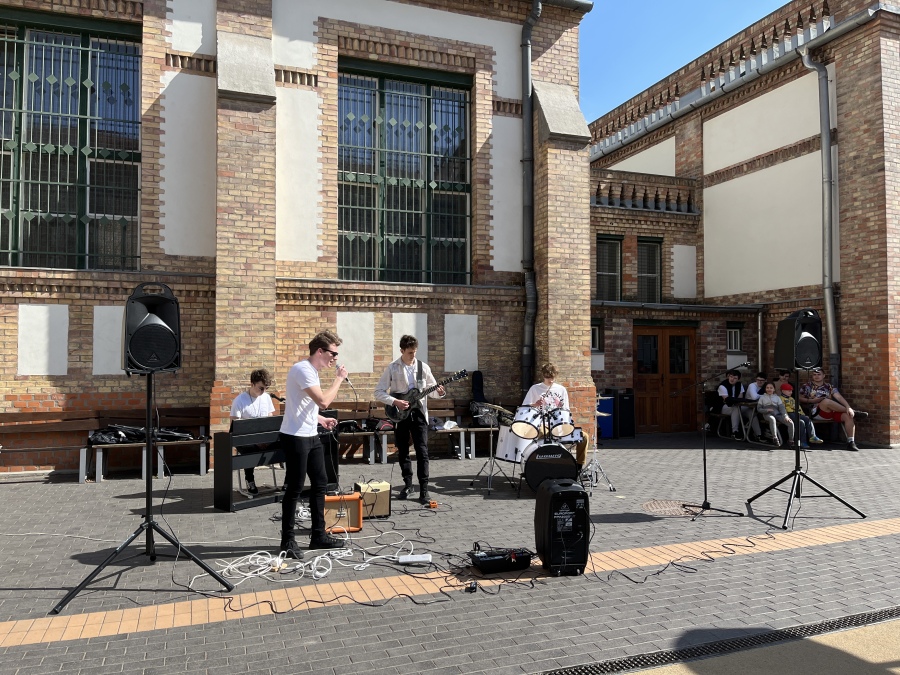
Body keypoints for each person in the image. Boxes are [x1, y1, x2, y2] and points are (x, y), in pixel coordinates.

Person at [278, 330, 348, 559]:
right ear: (320, 351)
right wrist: (339, 378)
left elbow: (303, 405)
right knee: (295, 488)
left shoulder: (312, 372)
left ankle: (318, 535)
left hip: (310, 434)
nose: (335, 358)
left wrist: (320, 419)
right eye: (333, 353)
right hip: (295, 437)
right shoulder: (303, 369)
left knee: (320, 484)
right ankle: (287, 541)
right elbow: (324, 401)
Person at [374, 335, 444, 504]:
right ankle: (408, 484)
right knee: (403, 450)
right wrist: (395, 401)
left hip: (419, 413)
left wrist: (440, 392)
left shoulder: (423, 367)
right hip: (400, 414)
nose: (413, 355)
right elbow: (379, 392)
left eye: (415, 352)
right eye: (410, 352)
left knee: (422, 451)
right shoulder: (393, 367)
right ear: (402, 351)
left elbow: (432, 391)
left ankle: (424, 489)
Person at [230, 368, 277, 495]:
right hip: (246, 440)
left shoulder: (266, 398)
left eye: (266, 388)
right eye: (261, 388)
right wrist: (255, 441)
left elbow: (270, 420)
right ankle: (249, 479)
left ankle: (289, 482)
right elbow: (235, 426)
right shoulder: (240, 400)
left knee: (288, 443)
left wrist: (266, 439)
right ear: (252, 384)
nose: (263, 391)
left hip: (264, 439)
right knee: (249, 450)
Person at [799, 367, 868, 451]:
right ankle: (855, 412)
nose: (816, 376)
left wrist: (848, 407)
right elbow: (800, 398)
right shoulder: (807, 386)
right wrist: (812, 400)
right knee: (826, 401)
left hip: (832, 411)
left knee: (848, 415)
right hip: (816, 412)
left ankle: (851, 442)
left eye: (819, 374)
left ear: (824, 375)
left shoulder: (829, 386)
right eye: (814, 374)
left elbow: (839, 397)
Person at [717, 369, 760, 441]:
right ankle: (735, 432)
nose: (732, 379)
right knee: (736, 408)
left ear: (738, 379)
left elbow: (740, 398)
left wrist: (738, 401)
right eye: (731, 377)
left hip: (736, 406)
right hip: (724, 407)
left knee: (750, 411)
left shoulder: (739, 385)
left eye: (735, 378)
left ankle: (758, 434)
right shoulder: (723, 386)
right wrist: (736, 400)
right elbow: (727, 399)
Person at [779, 382, 822, 449]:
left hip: (796, 413)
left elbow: (798, 408)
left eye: (791, 391)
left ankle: (812, 436)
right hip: (788, 414)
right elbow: (783, 408)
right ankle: (802, 442)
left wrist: (803, 415)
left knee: (807, 420)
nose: (791, 392)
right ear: (783, 391)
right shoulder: (780, 399)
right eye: (789, 391)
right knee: (801, 422)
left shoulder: (792, 399)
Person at [755, 382, 792, 448]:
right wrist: (766, 410)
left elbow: (782, 408)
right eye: (767, 388)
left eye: (771, 388)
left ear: (774, 389)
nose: (769, 389)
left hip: (777, 413)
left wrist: (785, 416)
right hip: (767, 414)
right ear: (765, 389)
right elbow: (759, 409)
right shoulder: (762, 397)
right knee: (772, 419)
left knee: (790, 422)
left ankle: (791, 440)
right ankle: (775, 438)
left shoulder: (777, 398)